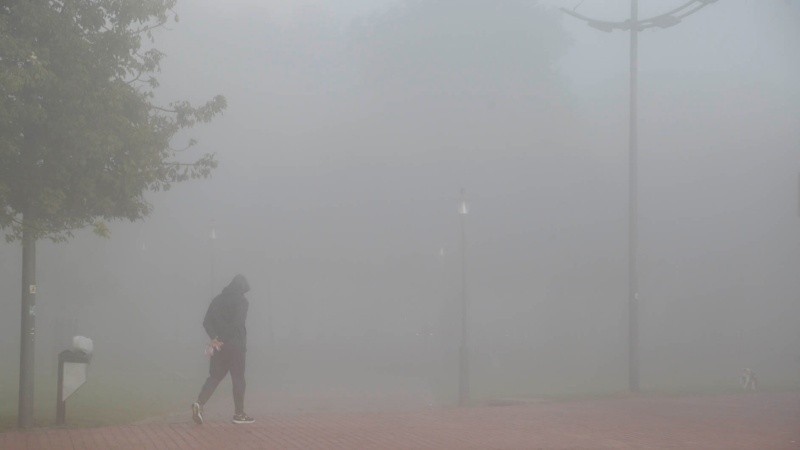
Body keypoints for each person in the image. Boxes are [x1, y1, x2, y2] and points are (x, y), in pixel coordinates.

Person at [192, 274, 255, 424]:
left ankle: (199, 404)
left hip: (219, 347)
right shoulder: (242, 301)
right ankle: (239, 414)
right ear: (242, 288)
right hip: (236, 347)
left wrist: (215, 338)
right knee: (238, 379)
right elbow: (237, 324)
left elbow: (206, 322)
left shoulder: (217, 300)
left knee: (214, 377)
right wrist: (224, 339)